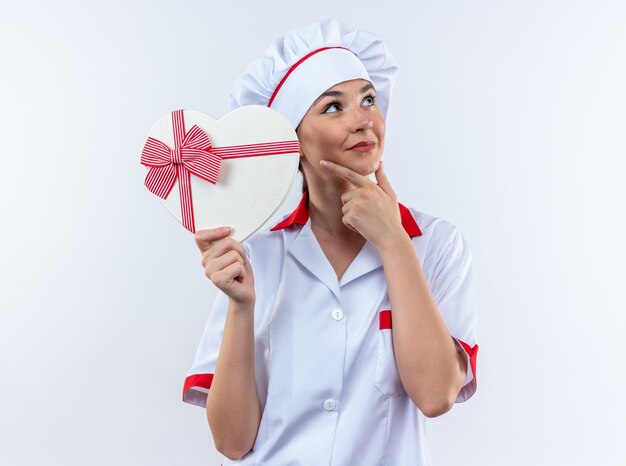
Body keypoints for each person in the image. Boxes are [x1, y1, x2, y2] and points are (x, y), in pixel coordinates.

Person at [182, 19, 479, 465]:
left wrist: (393, 242)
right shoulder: (257, 255)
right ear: (292, 142)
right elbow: (232, 441)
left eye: (368, 99)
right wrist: (241, 306)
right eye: (333, 108)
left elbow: (436, 395)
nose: (363, 120)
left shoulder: (436, 244)